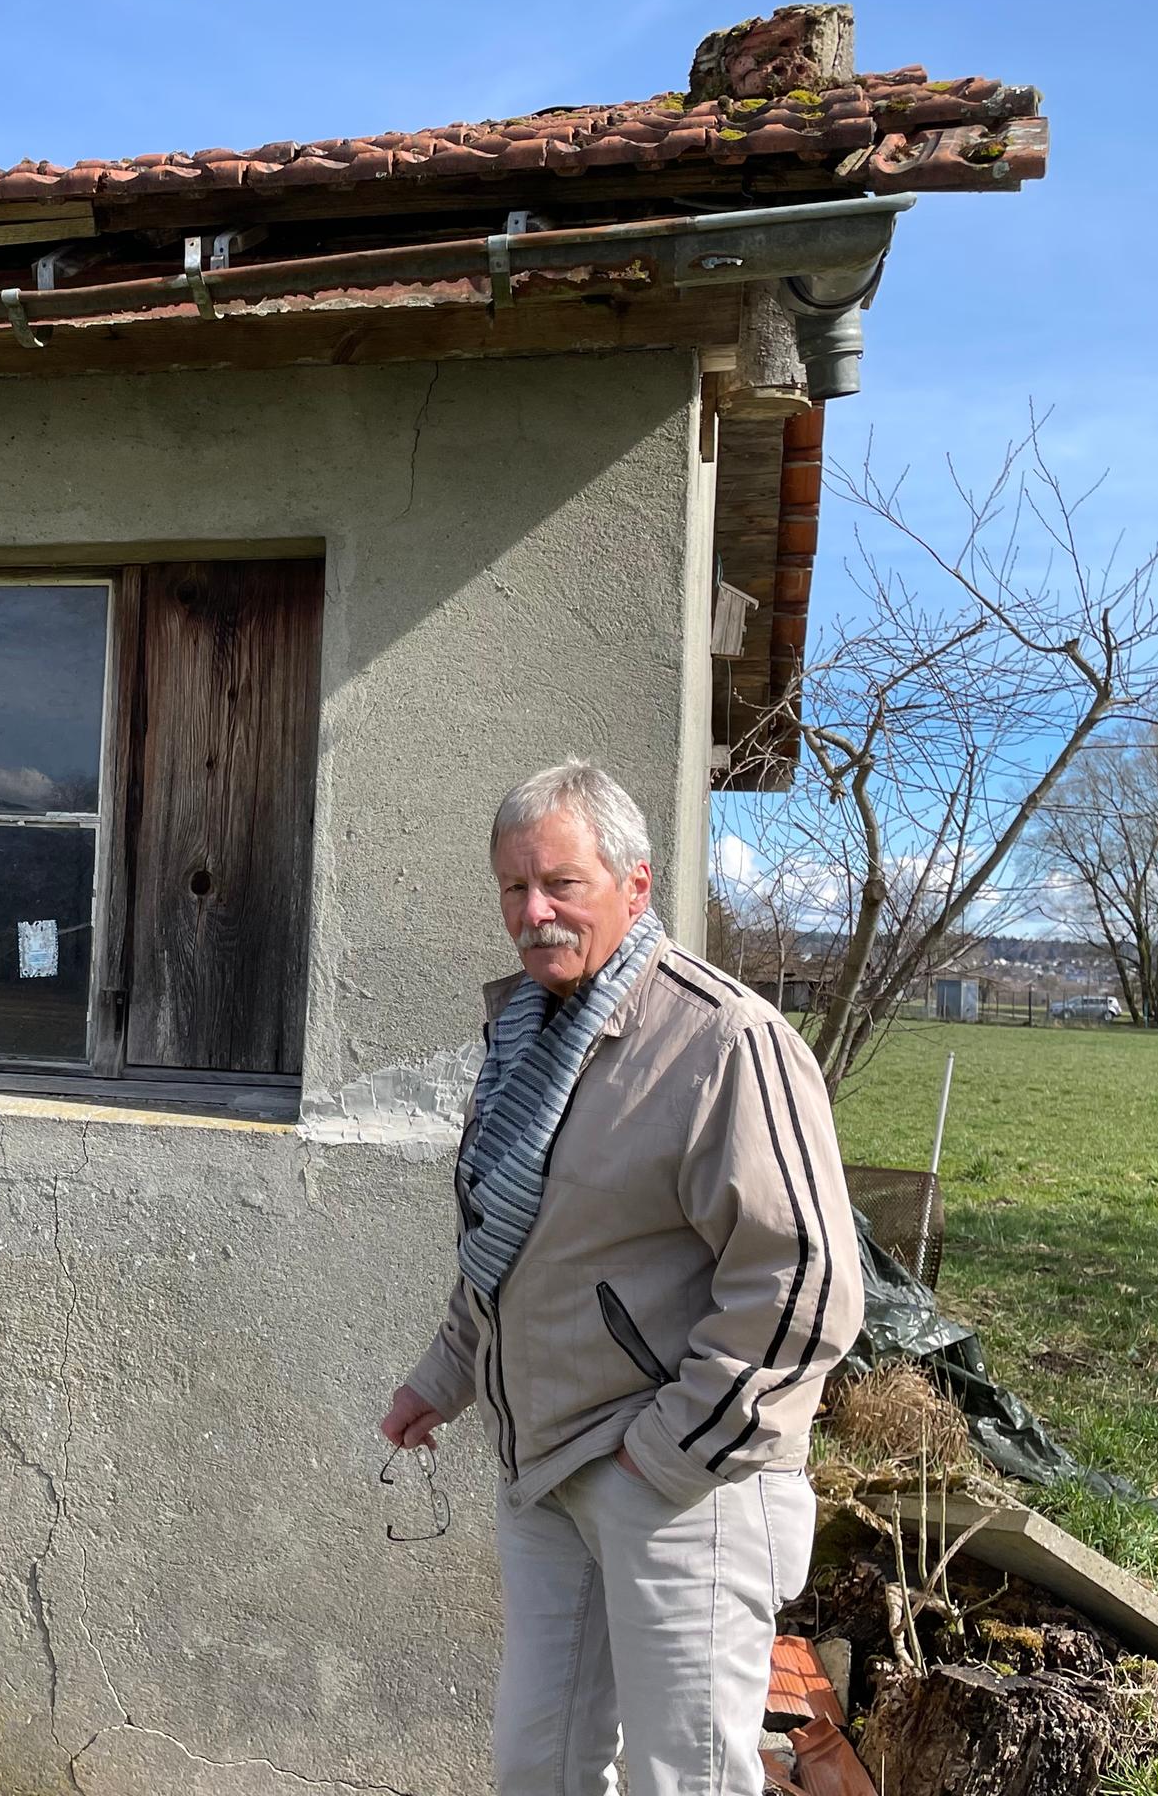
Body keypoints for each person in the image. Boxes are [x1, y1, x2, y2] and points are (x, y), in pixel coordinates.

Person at [379, 761, 863, 1796]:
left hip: (680, 1483)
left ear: (635, 887)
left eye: (562, 883)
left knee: (683, 1779)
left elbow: (805, 1282)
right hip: (543, 1469)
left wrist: (666, 1451)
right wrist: (440, 1378)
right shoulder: (522, 1035)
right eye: (514, 888)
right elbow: (509, 1251)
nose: (534, 912)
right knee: (538, 1768)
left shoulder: (724, 1040)